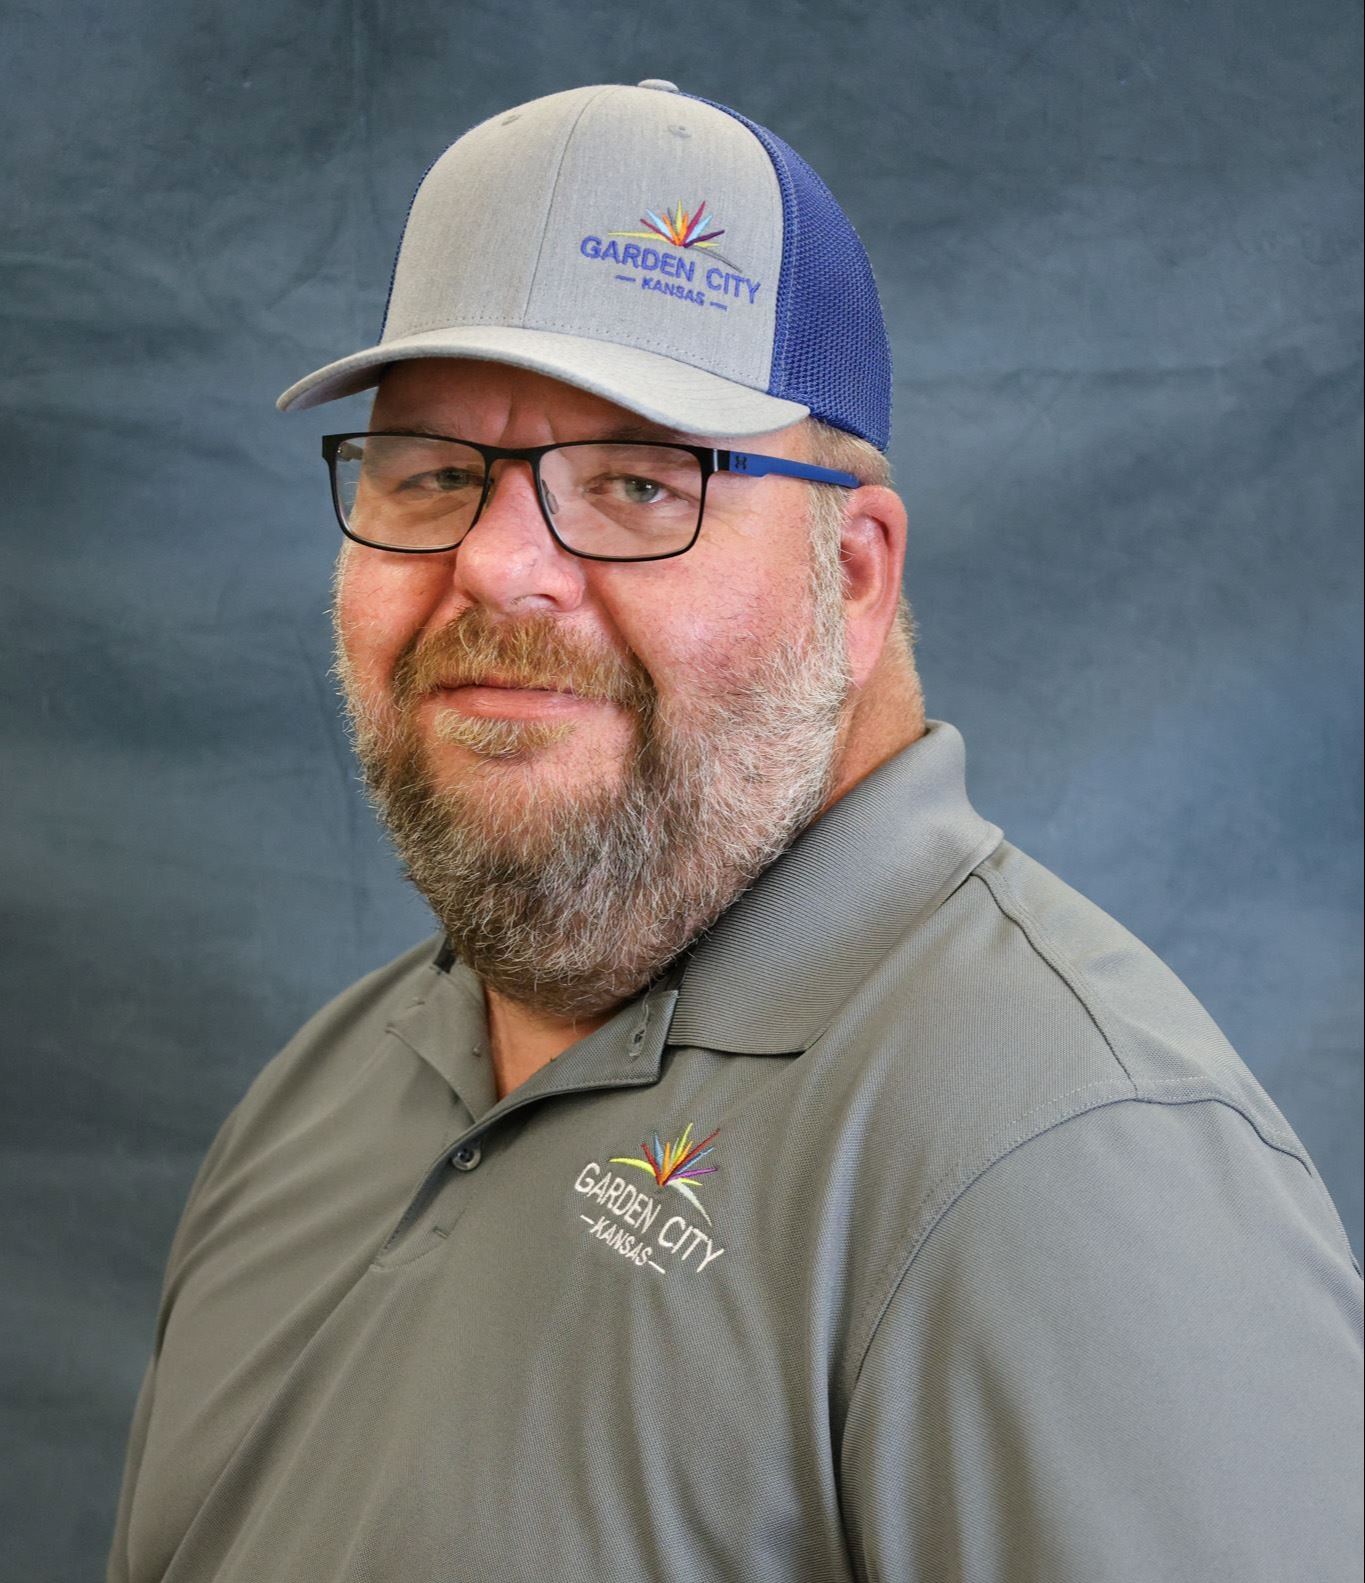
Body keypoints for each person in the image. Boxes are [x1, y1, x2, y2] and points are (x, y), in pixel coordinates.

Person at [107, 81, 1362, 1583]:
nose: (499, 569)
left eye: (641, 482)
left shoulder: (1065, 1165)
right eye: (435, 473)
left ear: (854, 572)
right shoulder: (323, 1094)